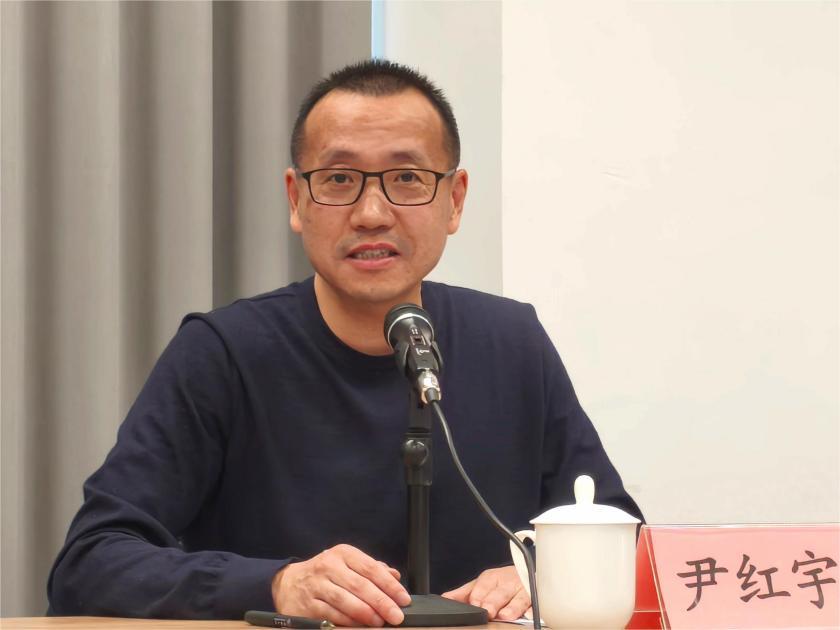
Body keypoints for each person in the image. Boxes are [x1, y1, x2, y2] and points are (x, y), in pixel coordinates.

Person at [48, 59, 642, 624]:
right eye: (339, 179)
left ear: (455, 200)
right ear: (296, 199)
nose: (372, 213)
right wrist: (276, 584)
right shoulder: (224, 352)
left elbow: (626, 537)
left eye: (406, 178)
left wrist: (540, 572)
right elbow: (91, 561)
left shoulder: (512, 343)